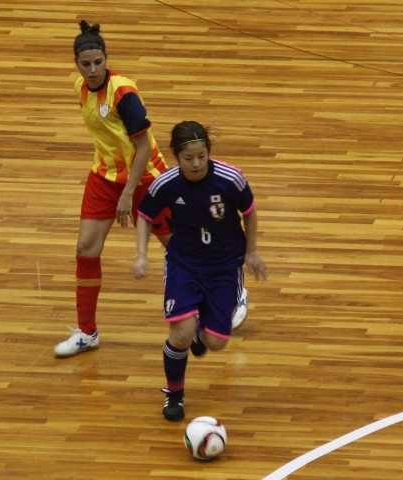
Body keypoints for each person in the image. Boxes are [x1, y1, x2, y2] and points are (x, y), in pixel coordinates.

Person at [132, 121, 267, 421]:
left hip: (224, 266)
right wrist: (141, 256)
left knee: (216, 342)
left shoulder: (229, 178)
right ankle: (174, 395)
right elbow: (144, 216)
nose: (196, 164)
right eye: (188, 158)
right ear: (176, 157)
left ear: (209, 153)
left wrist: (252, 251)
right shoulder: (165, 184)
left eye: (202, 156)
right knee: (180, 333)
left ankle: (203, 325)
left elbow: (249, 211)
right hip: (185, 263)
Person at [54, 20, 172, 358]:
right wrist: (115, 185)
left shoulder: (124, 94)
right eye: (85, 64)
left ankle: (228, 294)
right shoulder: (80, 88)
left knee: (178, 246)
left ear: (107, 59)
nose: (92, 70)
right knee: (86, 248)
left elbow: (144, 148)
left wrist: (127, 193)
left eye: (98, 62)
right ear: (76, 64)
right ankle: (87, 332)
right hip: (103, 177)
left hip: (145, 177)